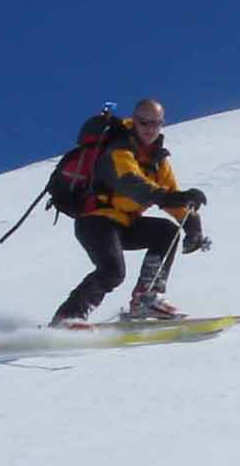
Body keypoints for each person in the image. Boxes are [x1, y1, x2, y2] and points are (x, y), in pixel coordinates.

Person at [49, 99, 210, 325]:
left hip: (125, 223)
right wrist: (175, 197)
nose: (150, 129)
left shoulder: (157, 159)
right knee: (113, 271)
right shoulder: (119, 149)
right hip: (96, 220)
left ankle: (146, 299)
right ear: (134, 121)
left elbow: (172, 197)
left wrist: (193, 227)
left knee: (167, 232)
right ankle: (67, 318)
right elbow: (132, 184)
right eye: (144, 122)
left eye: (156, 123)